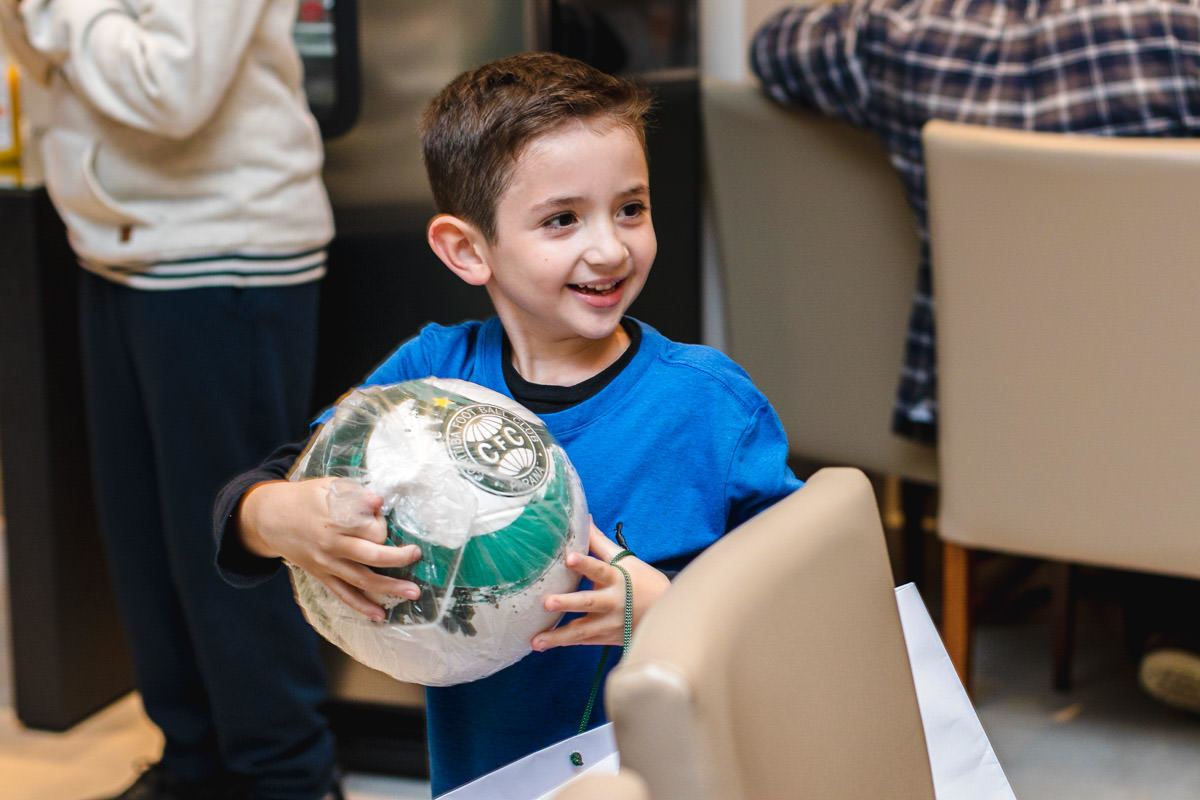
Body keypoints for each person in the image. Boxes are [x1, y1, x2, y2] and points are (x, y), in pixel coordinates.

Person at [211, 51, 804, 795]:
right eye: (563, 219)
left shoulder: (711, 406)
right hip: (488, 780)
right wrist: (274, 516)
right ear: (467, 249)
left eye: (631, 208)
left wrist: (670, 609)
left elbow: (800, 604)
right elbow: (265, 489)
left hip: (680, 775)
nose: (610, 247)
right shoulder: (426, 379)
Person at [751, 0, 1200, 714]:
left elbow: (773, 48)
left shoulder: (898, 38)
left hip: (984, 417)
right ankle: (1168, 616)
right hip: (1172, 416)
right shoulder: (1177, 32)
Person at [0, 2, 342, 799]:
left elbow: (170, 88)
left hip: (224, 253)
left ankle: (290, 778)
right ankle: (194, 766)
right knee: (149, 542)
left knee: (234, 544)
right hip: (122, 249)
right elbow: (47, 61)